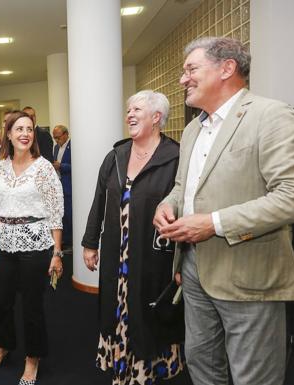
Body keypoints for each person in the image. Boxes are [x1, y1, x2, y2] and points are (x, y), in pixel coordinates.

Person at [153, 37, 294, 385]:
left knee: (252, 375)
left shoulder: (271, 116)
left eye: (191, 69)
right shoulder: (195, 127)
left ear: (227, 68)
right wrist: (168, 204)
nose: (183, 79)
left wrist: (213, 223)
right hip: (194, 269)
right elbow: (184, 187)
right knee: (201, 362)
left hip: (249, 275)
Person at [82, 90, 186, 384]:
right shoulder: (116, 156)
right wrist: (90, 243)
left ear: (156, 117)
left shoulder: (175, 157)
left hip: (153, 255)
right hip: (117, 253)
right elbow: (99, 202)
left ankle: (147, 370)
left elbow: (186, 208)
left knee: (149, 311)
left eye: (136, 109)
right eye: (128, 109)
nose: (129, 114)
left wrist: (183, 262)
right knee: (117, 309)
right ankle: (121, 367)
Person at [0, 111, 63, 385]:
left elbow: (55, 211)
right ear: (8, 134)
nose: (25, 133)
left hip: (36, 242)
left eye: (29, 129)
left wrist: (57, 252)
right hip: (4, 241)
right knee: (2, 301)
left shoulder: (44, 168)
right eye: (19, 129)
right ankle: (4, 346)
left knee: (32, 304)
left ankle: (32, 358)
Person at [52, 124, 72, 250]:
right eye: (54, 138)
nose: (56, 140)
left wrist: (61, 166)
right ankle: (62, 240)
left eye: (58, 137)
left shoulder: (73, 147)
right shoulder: (55, 148)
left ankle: (70, 241)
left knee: (69, 215)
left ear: (66, 135)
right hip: (57, 185)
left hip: (68, 185)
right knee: (60, 214)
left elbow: (78, 166)